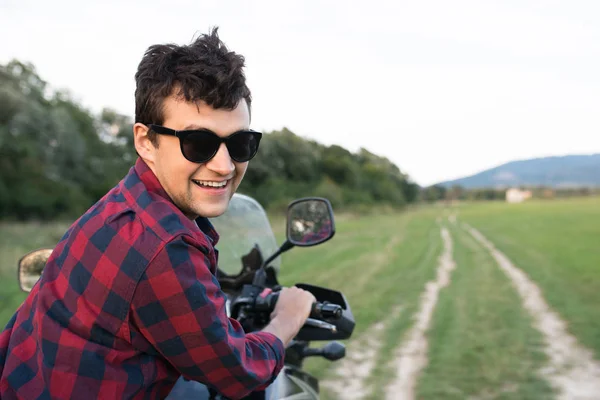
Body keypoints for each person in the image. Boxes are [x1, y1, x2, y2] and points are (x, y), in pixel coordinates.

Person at [0, 27, 316, 399]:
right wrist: (287, 318)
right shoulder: (165, 246)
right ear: (146, 142)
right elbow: (239, 371)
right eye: (198, 143)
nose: (224, 166)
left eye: (240, 143)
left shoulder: (122, 205)